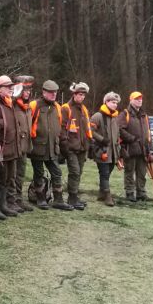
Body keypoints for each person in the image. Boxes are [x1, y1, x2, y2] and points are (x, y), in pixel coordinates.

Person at [29, 80, 71, 210]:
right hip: (37, 147)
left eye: (55, 92)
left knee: (57, 173)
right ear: (44, 92)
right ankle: (40, 198)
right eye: (51, 92)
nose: (53, 94)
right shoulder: (34, 105)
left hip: (52, 148)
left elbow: (59, 126)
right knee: (39, 173)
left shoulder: (57, 107)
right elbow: (27, 124)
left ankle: (58, 200)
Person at [0, 75, 21, 217]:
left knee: (7, 180)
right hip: (0, 149)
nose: (10, 89)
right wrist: (4, 123)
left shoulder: (9, 102)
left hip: (11, 149)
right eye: (7, 86)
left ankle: (3, 206)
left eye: (11, 86)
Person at [60, 82, 92, 210]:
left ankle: (74, 196)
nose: (82, 97)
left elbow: (87, 128)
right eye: (80, 94)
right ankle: (72, 198)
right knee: (74, 172)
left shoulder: (84, 109)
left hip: (82, 148)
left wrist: (88, 144)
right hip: (71, 148)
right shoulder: (66, 108)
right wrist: (65, 145)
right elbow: (62, 128)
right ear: (74, 94)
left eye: (83, 95)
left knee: (79, 173)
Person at [118, 91, 153, 203]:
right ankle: (130, 193)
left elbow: (148, 133)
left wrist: (150, 149)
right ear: (131, 100)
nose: (139, 100)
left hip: (143, 150)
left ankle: (141, 193)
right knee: (129, 172)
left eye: (140, 99)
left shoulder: (144, 115)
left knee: (142, 173)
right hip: (130, 149)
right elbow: (120, 129)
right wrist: (132, 139)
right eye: (137, 99)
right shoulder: (125, 114)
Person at [90, 91, 122, 206]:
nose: (115, 105)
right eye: (113, 102)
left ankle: (101, 193)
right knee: (104, 173)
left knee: (107, 173)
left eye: (116, 103)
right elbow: (90, 131)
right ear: (106, 102)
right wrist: (102, 139)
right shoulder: (97, 116)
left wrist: (118, 148)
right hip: (101, 151)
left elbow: (117, 134)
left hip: (113, 152)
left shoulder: (115, 118)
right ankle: (108, 196)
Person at [12, 75, 35, 213]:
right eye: (24, 90)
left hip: (24, 146)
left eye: (29, 90)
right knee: (12, 175)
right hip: (14, 147)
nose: (27, 93)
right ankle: (11, 200)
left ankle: (19, 199)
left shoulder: (28, 107)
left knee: (20, 174)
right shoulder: (13, 105)